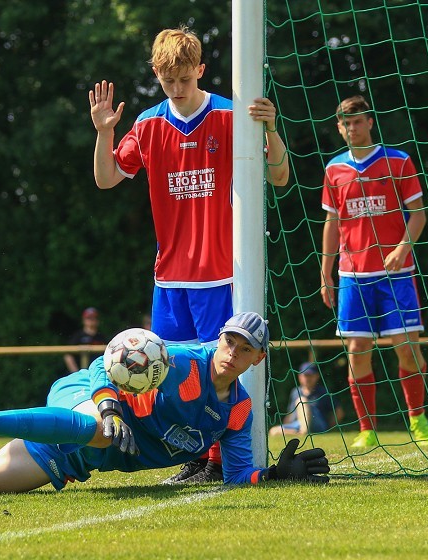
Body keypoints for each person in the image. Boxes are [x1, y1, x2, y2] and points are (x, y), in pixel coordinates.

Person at [89, 26, 290, 483]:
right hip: (169, 278)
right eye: (167, 81)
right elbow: (106, 178)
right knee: (171, 374)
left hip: (220, 275)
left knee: (220, 371)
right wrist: (105, 133)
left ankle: (220, 461)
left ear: (200, 70)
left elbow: (279, 176)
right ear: (157, 75)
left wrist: (271, 129)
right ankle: (192, 458)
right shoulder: (148, 124)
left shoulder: (229, 115)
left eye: (184, 78)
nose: (177, 89)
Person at [0, 312, 329, 497]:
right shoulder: (180, 359)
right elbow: (108, 363)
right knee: (104, 428)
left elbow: (236, 475)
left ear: (258, 358)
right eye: (229, 340)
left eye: (244, 348)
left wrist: (271, 476)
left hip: (79, 456)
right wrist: (105, 406)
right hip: (81, 398)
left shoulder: (238, 411)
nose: (232, 351)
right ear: (219, 338)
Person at [319, 95, 428, 450]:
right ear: (339, 128)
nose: (352, 128)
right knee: (356, 349)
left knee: (407, 350)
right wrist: (326, 275)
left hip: (397, 274)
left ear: (370, 122)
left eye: (358, 121)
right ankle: (366, 429)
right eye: (346, 123)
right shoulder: (334, 169)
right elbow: (332, 222)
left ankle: (418, 420)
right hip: (353, 275)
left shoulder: (398, 161)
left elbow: (419, 214)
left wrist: (402, 248)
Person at [270, 362, 342, 436]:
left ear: (317, 376)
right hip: (298, 423)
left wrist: (329, 427)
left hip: (317, 424)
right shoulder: (295, 392)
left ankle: (304, 431)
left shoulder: (323, 392)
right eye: (305, 375)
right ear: (300, 376)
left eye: (311, 376)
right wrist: (285, 426)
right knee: (274, 431)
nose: (307, 378)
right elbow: (290, 414)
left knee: (302, 401)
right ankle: (300, 433)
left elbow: (338, 411)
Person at [63, 307, 107, 373]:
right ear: (84, 320)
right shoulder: (78, 336)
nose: (92, 320)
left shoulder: (101, 337)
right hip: (82, 372)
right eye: (89, 318)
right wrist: (76, 373)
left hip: (98, 372)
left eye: (94, 318)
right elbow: (68, 355)